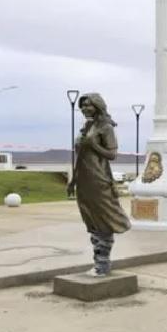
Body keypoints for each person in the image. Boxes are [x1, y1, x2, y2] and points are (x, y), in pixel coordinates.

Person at [66, 93, 131, 277]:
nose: (86, 108)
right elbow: (80, 157)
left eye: (89, 105)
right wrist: (73, 180)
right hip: (84, 181)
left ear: (98, 106)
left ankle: (103, 263)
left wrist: (94, 145)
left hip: (99, 179)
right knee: (92, 220)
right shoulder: (86, 127)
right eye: (83, 105)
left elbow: (112, 155)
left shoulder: (106, 127)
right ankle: (98, 262)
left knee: (104, 220)